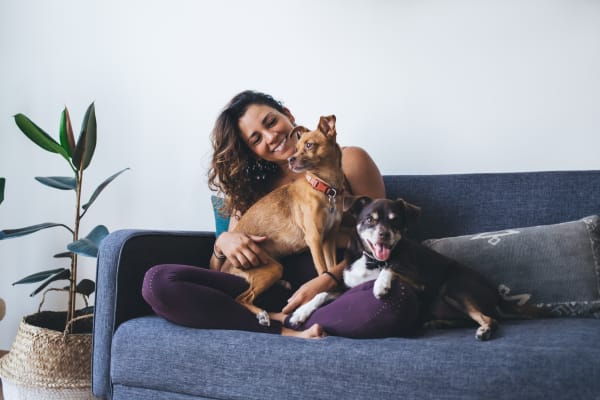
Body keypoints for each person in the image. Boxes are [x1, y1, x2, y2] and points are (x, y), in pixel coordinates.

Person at [142, 90, 419, 338]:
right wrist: (222, 242)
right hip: (261, 288)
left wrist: (325, 282)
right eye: (256, 139)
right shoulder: (252, 193)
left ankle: (279, 322)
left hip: (327, 295)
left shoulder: (350, 161)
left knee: (396, 300)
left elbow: (384, 241)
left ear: (288, 115)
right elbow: (220, 273)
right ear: (252, 152)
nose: (271, 136)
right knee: (158, 282)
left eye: (271, 122)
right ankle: (280, 326)